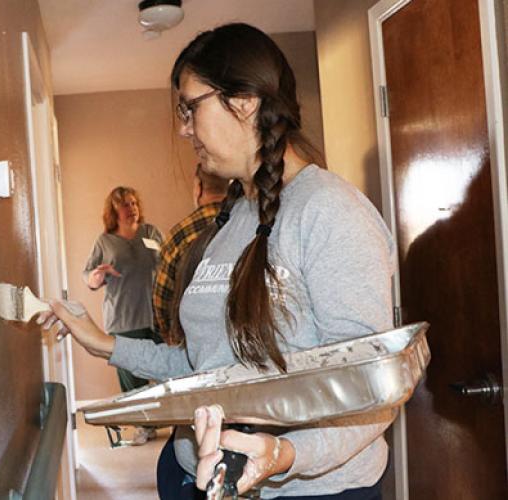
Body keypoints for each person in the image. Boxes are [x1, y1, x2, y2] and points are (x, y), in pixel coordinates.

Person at [41, 23, 395, 499]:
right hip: (200, 472)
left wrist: (285, 456)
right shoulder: (234, 217)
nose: (184, 128)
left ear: (245, 101)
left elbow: (371, 391)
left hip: (300, 490)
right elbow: (201, 363)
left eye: (190, 107)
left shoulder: (331, 213)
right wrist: (104, 344)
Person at [83, 186, 164, 445]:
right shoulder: (104, 242)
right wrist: (97, 276)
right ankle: (143, 425)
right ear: (114, 212)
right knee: (132, 377)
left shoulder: (151, 233)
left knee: (165, 371)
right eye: (125, 205)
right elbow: (90, 277)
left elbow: (169, 262)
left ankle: (168, 420)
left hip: (156, 316)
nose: (132, 208)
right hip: (123, 318)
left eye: (134, 203)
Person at [153, 165, 228, 342]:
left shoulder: (180, 235)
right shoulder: (248, 223)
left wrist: (170, 337)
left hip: (191, 342)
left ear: (198, 187)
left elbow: (161, 299)